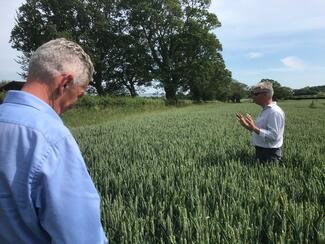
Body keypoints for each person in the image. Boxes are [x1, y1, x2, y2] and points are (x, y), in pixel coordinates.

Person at [0, 38, 108, 243]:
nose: (74, 104)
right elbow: (80, 238)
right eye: (79, 95)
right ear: (65, 83)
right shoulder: (53, 139)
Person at [236, 81, 285, 162]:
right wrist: (248, 126)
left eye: (255, 94)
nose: (253, 97)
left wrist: (254, 128)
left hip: (270, 154)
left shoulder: (274, 112)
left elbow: (274, 136)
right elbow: (261, 132)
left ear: (265, 94)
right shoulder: (266, 110)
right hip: (262, 150)